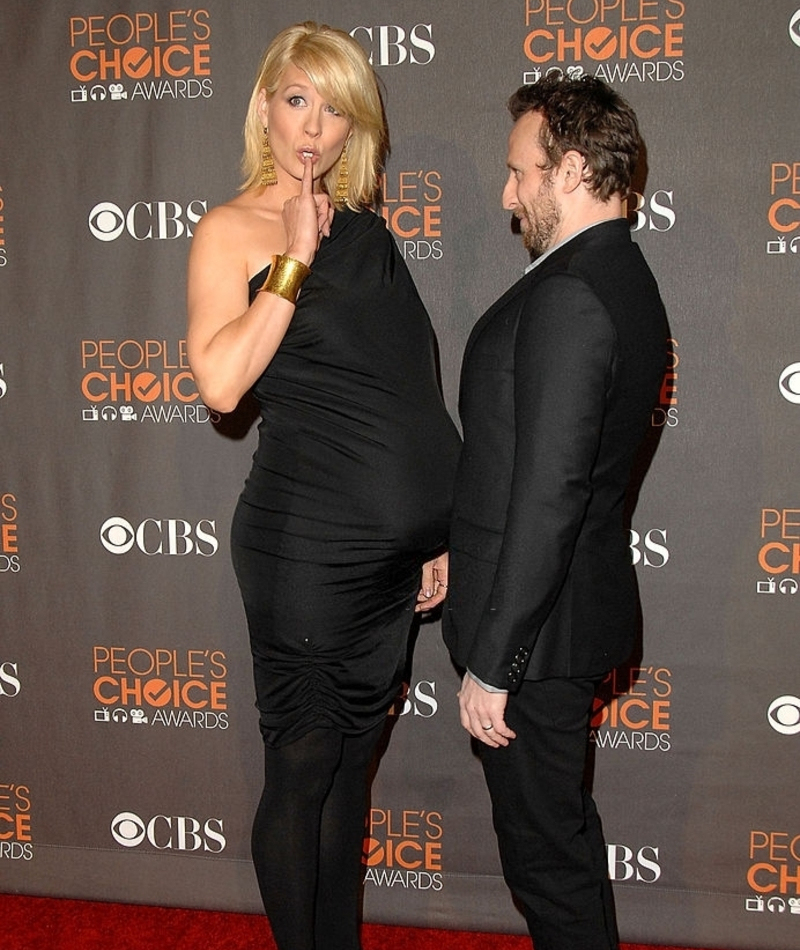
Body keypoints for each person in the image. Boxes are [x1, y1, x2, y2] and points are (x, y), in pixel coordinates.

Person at [186, 22, 460, 950]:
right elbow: (222, 384)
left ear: (355, 131)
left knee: (351, 773)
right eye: (298, 98)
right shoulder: (229, 231)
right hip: (305, 548)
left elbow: (411, 387)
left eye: (335, 108)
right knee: (302, 769)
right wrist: (292, 259)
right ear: (265, 106)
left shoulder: (376, 237)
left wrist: (435, 531)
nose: (314, 125)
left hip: (389, 564)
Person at [443, 74, 668, 950]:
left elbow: (551, 491)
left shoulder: (574, 291)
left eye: (518, 172)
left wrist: (496, 661)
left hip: (539, 637)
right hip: (558, 619)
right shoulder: (615, 274)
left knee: (545, 858)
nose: (507, 195)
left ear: (569, 169)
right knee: (561, 839)